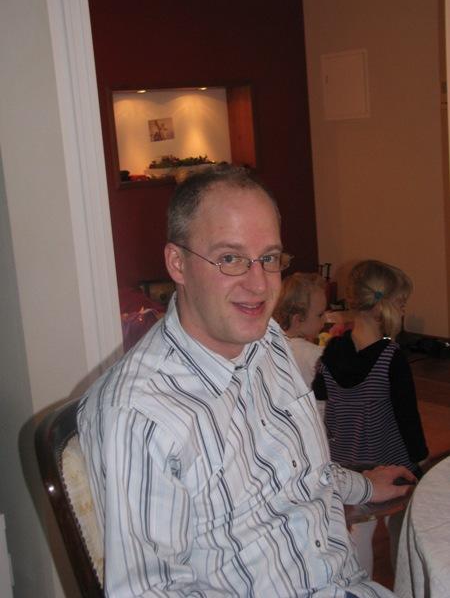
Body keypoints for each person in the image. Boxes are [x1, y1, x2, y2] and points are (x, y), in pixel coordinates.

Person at [78, 166, 416, 597]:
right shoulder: (141, 415)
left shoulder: (267, 340)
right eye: (230, 258)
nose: (258, 286)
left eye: (269, 258)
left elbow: (300, 471)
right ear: (177, 263)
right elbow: (149, 591)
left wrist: (365, 483)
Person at [312, 259, 429, 576]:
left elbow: (320, 397)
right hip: (389, 463)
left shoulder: (332, 350)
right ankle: (406, 582)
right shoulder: (392, 357)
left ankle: (355, 585)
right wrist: (420, 458)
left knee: (357, 531)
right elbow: (407, 416)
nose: (403, 311)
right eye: (401, 304)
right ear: (384, 307)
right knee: (403, 524)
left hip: (345, 463)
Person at [273, 272, 327, 389]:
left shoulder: (272, 346)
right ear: (297, 320)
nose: (325, 319)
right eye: (320, 314)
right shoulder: (316, 356)